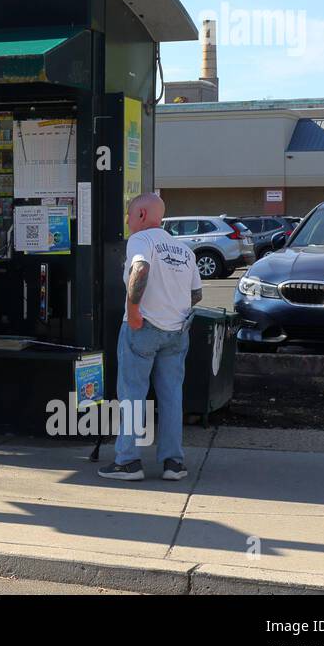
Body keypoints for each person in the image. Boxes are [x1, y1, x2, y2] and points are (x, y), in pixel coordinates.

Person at [99, 192, 202, 482]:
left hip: (142, 328)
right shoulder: (185, 250)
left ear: (142, 215)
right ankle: (174, 463)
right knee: (172, 395)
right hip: (176, 331)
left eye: (130, 215)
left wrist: (133, 310)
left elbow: (140, 269)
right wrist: (173, 309)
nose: (128, 222)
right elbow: (196, 293)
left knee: (132, 393)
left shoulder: (140, 240)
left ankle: (128, 462)